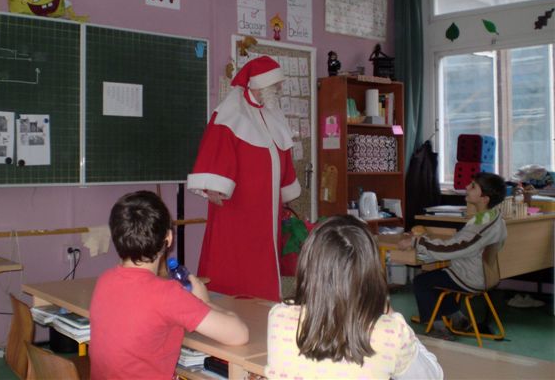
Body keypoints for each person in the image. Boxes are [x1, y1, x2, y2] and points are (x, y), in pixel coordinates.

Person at [89, 191, 249, 380]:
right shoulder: (167, 294)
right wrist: (203, 302)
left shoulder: (104, 280)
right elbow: (240, 335)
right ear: (169, 237)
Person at [265, 216, 443, 379]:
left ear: (308, 266)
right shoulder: (391, 332)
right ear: (372, 274)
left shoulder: (279, 317)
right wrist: (393, 314)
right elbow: (433, 376)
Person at [187, 56, 300, 301]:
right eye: (275, 86)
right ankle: (225, 308)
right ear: (260, 85)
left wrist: (285, 187)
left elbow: (282, 155)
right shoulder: (230, 114)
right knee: (233, 264)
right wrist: (213, 186)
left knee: (264, 264)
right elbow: (215, 151)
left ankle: (265, 306)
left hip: (266, 213)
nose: (279, 89)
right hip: (238, 210)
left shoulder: (272, 115)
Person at [398, 171, 507, 339]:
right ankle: (458, 319)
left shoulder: (480, 227)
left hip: (470, 277)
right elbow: (462, 245)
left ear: (484, 199)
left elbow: (453, 248)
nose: (467, 187)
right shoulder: (495, 218)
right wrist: (424, 242)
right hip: (485, 274)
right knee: (438, 276)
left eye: (473, 186)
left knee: (422, 282)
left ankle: (439, 329)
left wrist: (416, 242)